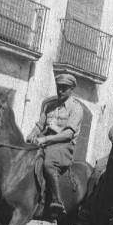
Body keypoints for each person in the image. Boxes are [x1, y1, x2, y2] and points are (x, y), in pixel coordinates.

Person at [26, 74, 83, 217]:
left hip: (63, 145)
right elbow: (40, 125)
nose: (60, 91)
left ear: (71, 89)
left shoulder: (76, 108)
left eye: (64, 88)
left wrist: (45, 139)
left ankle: (57, 200)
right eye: (59, 88)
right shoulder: (50, 106)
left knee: (48, 164)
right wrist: (32, 134)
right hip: (44, 141)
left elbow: (68, 134)